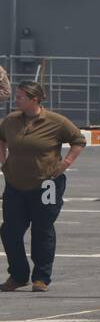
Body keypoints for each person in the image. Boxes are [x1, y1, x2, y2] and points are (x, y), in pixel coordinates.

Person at [0, 81, 87, 292]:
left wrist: (65, 163)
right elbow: (1, 140)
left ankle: (42, 277)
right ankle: (19, 275)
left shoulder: (56, 121)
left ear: (34, 99)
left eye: (20, 96)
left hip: (47, 185)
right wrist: (3, 162)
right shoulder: (10, 121)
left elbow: (78, 140)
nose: (15, 99)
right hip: (15, 185)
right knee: (10, 231)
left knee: (42, 229)